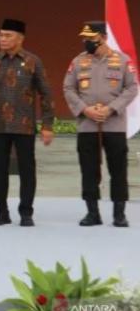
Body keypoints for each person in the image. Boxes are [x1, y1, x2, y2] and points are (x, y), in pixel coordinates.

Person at [0, 19, 54, 227]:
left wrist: (47, 125)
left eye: (7, 35)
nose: (2, 39)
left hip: (24, 125)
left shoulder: (32, 61)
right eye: (0, 35)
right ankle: (1, 212)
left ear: (20, 38)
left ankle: (26, 212)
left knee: (27, 170)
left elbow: (46, 94)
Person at [63, 21, 137, 228]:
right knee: (89, 169)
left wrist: (111, 108)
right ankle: (92, 212)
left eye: (91, 39)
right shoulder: (78, 62)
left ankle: (119, 214)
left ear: (103, 38)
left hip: (114, 124)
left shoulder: (122, 61)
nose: (86, 42)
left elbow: (131, 88)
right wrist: (85, 109)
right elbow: (68, 88)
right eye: (84, 39)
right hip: (88, 125)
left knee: (118, 169)